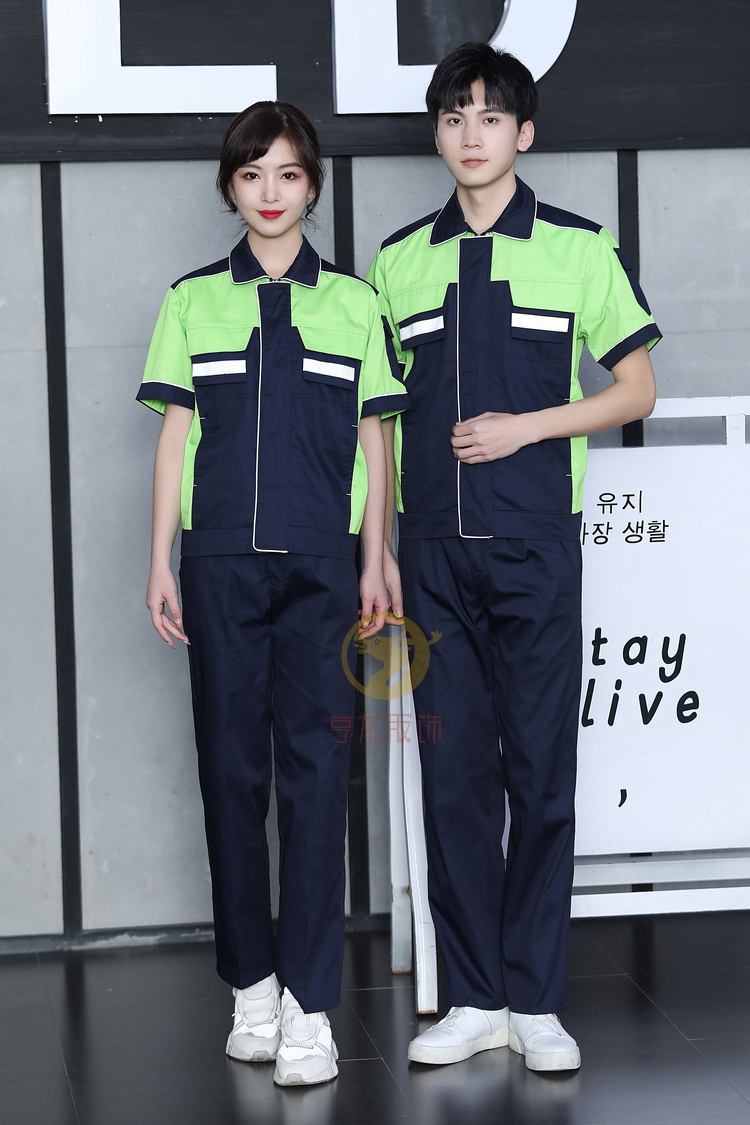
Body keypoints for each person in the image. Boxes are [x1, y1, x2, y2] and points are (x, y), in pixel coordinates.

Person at [368, 43, 660, 1072]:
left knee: (540, 773)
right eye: (454, 117)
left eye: (491, 117)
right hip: (432, 552)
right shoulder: (398, 263)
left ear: (524, 134)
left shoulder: (579, 249)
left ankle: (536, 1000)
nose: (472, 134)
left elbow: (636, 389)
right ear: (437, 134)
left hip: (536, 543)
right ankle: (473, 998)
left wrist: (527, 427)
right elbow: (377, 423)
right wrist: (380, 548)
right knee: (452, 774)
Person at [138, 100, 408, 1087]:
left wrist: (376, 558)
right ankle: (251, 985)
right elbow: (175, 438)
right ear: (230, 186)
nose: (269, 192)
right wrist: (161, 558)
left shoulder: (355, 304)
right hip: (218, 566)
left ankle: (310, 1006)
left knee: (315, 780)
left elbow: (378, 441)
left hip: (324, 568)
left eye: (288, 174)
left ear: (312, 185)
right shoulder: (191, 302)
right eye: (251, 174)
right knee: (230, 774)